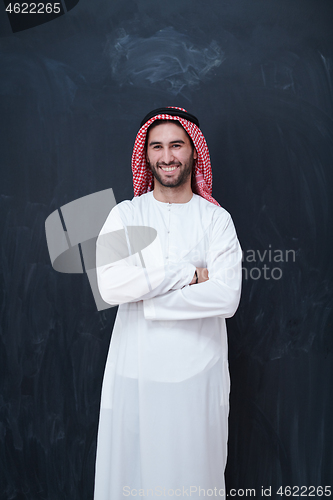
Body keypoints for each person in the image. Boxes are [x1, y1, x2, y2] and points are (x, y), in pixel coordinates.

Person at [94, 107, 242, 499]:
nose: (167, 156)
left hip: (198, 378)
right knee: (134, 479)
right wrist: (188, 274)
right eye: (157, 146)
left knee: (193, 479)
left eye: (176, 145)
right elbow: (110, 285)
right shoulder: (125, 215)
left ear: (194, 152)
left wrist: (149, 300)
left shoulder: (217, 220)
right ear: (147, 156)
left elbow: (227, 295)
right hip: (136, 373)